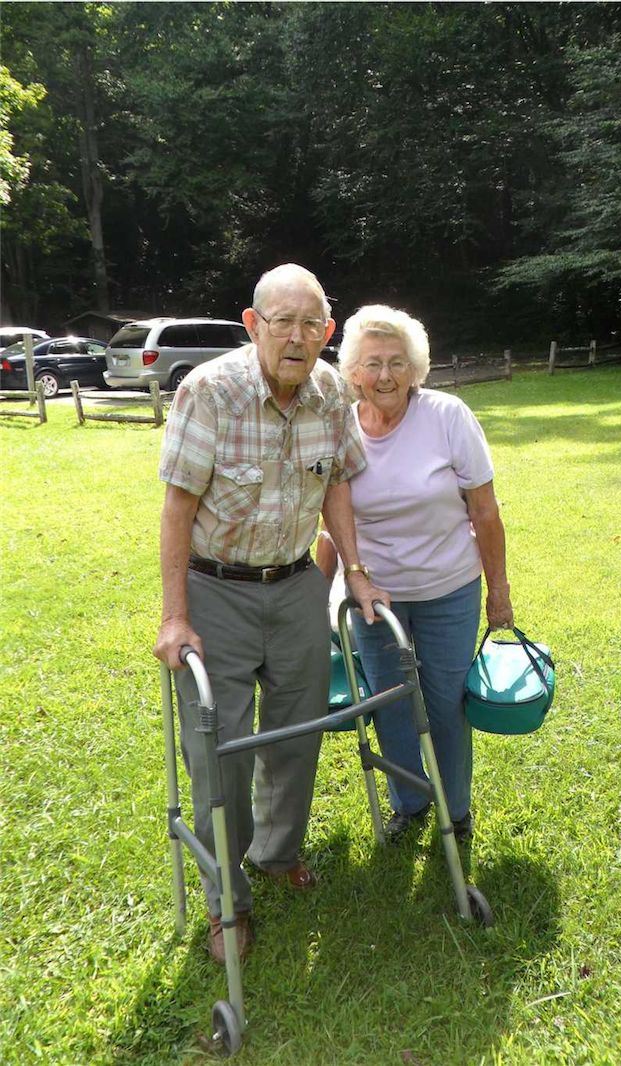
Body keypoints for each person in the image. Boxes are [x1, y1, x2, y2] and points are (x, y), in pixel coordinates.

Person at [153, 264, 388, 964]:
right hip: (216, 588)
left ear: (328, 331)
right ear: (253, 325)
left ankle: (277, 850)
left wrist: (358, 573)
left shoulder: (330, 393)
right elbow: (177, 507)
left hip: (293, 587)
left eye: (310, 323)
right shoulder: (210, 391)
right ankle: (227, 902)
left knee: (297, 732)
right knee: (218, 749)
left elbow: (337, 486)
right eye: (281, 321)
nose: (296, 335)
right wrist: (174, 615)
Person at [316, 305, 514, 843]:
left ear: (417, 368)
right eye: (373, 363)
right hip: (372, 596)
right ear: (352, 370)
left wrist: (500, 591)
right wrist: (317, 596)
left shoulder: (448, 416)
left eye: (398, 363)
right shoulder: (339, 429)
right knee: (389, 701)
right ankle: (410, 801)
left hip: (448, 587)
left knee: (445, 701)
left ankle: (456, 809)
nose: (385, 376)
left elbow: (485, 511)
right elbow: (331, 523)